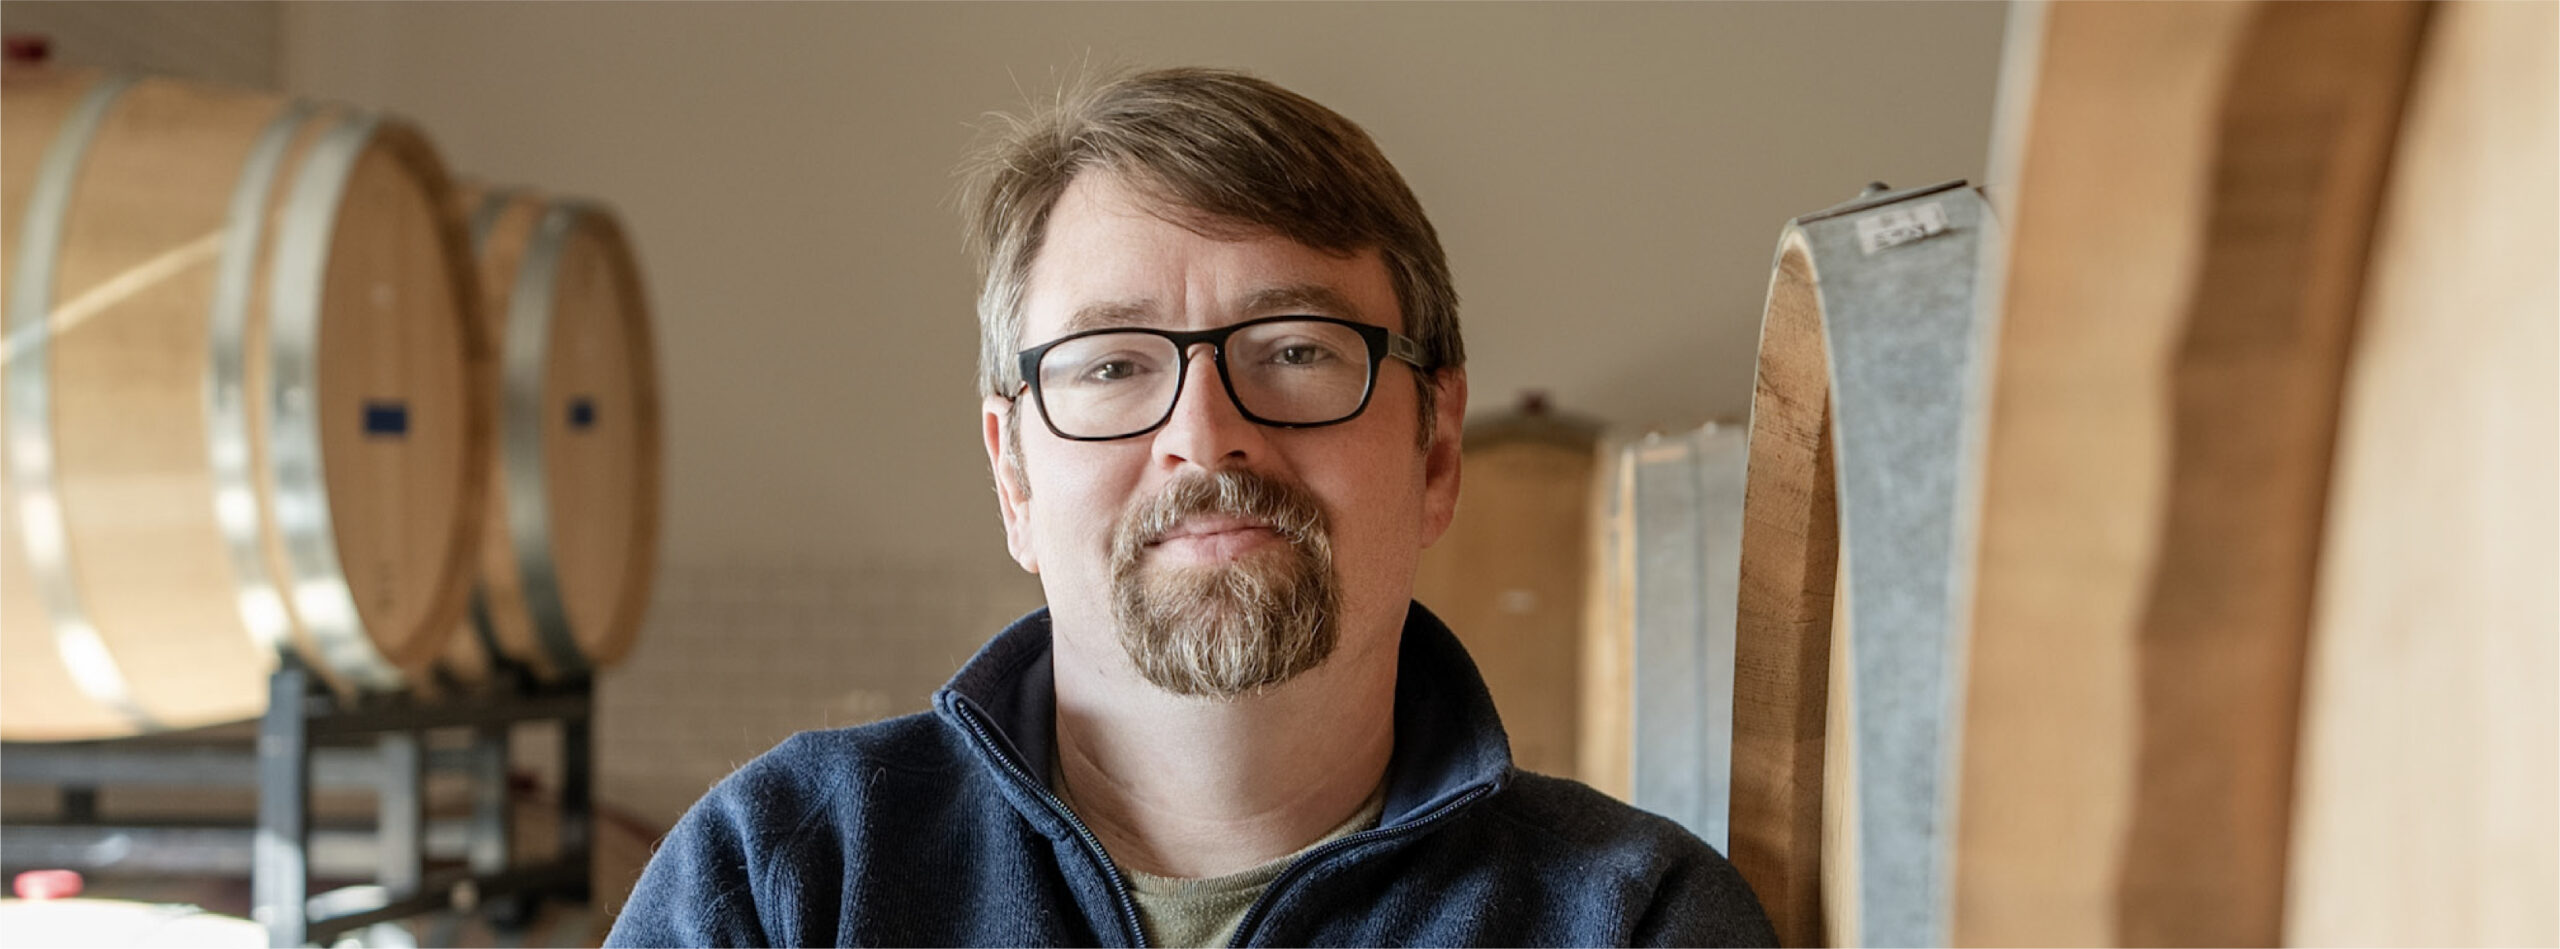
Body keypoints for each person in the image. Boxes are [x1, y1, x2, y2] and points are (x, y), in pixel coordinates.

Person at [606, 66, 1774, 948]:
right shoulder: (787, 876)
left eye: (1297, 350)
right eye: (1113, 364)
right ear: (1014, 474)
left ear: (1435, 447)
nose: (1205, 434)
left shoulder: (1632, 920)